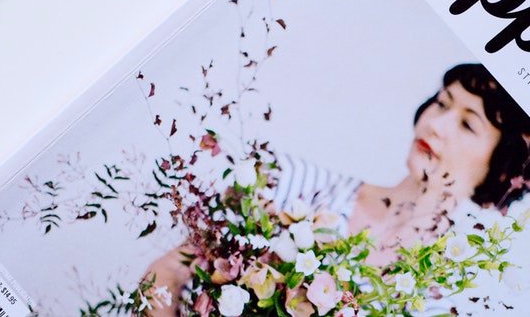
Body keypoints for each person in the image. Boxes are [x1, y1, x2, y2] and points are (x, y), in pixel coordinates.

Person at [144, 63, 530, 315]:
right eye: (443, 104)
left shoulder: (441, 302)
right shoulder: (286, 180)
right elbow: (164, 275)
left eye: (468, 124)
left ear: (503, 166)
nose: (436, 124)